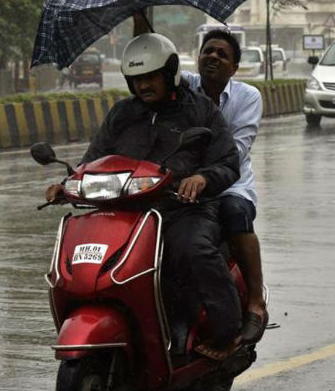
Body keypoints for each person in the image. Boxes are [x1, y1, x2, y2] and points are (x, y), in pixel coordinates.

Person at [44, 32, 243, 360]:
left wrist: (201, 178)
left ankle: (226, 332)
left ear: (169, 73)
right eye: (136, 79)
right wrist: (66, 185)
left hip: (182, 209)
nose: (144, 85)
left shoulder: (200, 111)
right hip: (124, 212)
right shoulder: (123, 114)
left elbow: (227, 161)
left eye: (151, 77)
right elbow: (93, 160)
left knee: (194, 250)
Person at [180, 30, 269, 352]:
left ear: (234, 67)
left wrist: (206, 175)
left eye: (222, 54)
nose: (213, 57)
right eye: (208, 51)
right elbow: (155, 69)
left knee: (235, 213)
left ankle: (256, 302)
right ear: (198, 57)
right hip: (183, 183)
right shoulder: (185, 86)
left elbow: (238, 150)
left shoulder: (248, 97)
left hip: (230, 182)